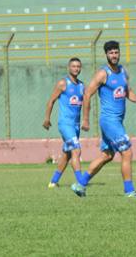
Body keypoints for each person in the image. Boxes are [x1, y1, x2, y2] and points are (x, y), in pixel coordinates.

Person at [71, 41, 136, 197]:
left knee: (107, 155)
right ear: (106, 55)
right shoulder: (102, 73)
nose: (114, 55)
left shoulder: (124, 71)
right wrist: (85, 119)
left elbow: (127, 91)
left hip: (117, 121)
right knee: (127, 152)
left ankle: (80, 184)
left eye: (116, 52)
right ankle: (129, 190)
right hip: (109, 120)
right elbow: (86, 94)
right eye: (111, 53)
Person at [43, 57, 86, 188]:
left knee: (67, 154)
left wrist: (85, 119)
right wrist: (47, 118)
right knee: (76, 150)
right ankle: (81, 181)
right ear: (69, 68)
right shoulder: (63, 83)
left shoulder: (82, 86)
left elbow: (85, 103)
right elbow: (51, 101)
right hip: (65, 124)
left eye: (78, 66)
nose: (76, 68)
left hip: (76, 126)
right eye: (73, 66)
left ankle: (53, 181)